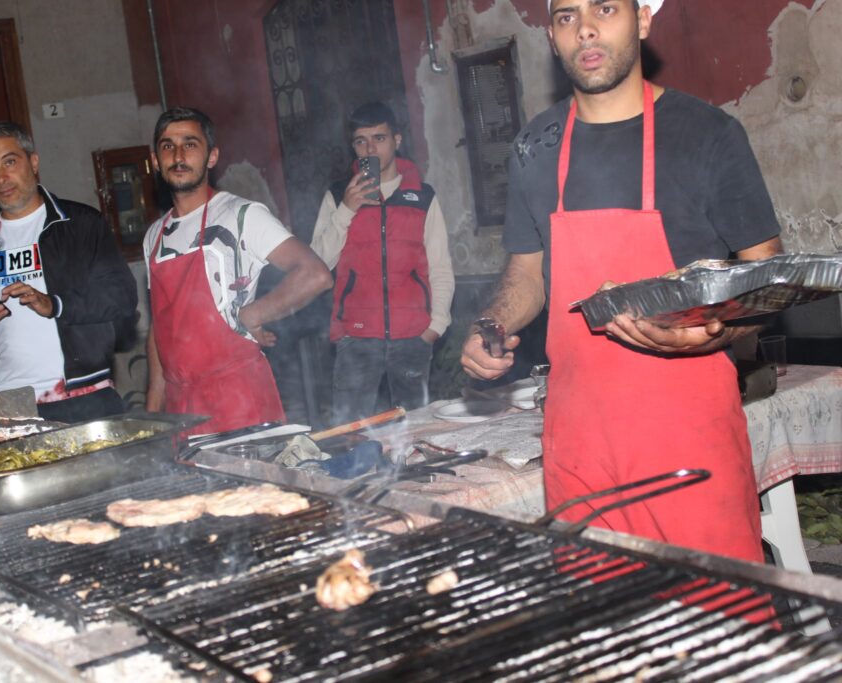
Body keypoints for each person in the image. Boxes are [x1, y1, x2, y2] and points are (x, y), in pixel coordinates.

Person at [461, 0, 783, 562]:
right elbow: (528, 273)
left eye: (605, 8)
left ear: (642, 20)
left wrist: (711, 330)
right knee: (598, 615)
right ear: (553, 38)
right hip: (581, 447)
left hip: (690, 443)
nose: (584, 28)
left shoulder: (707, 134)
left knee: (717, 612)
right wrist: (491, 323)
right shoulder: (534, 147)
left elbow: (767, 275)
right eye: (566, 17)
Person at [143, 107, 332, 436]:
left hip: (239, 398)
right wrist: (152, 413)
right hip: (180, 408)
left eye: (190, 144)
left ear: (212, 156)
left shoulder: (241, 215)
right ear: (155, 161)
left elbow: (315, 274)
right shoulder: (154, 236)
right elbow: (158, 329)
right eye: (167, 146)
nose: (178, 156)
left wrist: (254, 313)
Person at [0, 121, 137, 423]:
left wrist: (55, 304)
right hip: (11, 405)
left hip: (83, 398)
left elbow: (122, 297)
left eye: (9, 162)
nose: (1, 177)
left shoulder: (80, 224)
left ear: (34, 162)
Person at [311, 102, 454, 424]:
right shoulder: (338, 195)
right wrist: (347, 209)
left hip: (413, 335)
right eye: (361, 141)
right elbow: (318, 264)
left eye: (379, 138)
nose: (370, 149)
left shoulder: (423, 196)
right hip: (356, 337)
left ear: (396, 140)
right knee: (352, 430)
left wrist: (435, 326)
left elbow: (440, 267)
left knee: (416, 429)